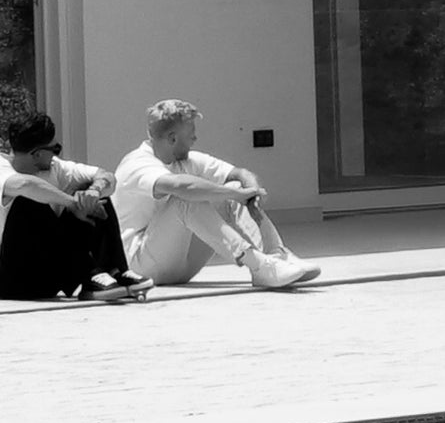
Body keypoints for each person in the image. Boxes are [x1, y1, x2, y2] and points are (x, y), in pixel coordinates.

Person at [112, 99, 322, 289]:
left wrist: (252, 192)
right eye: (191, 134)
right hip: (141, 265)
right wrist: (232, 193)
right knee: (186, 200)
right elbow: (181, 186)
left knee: (234, 187)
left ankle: (276, 255)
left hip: (180, 265)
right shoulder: (137, 163)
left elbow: (240, 174)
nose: (195, 138)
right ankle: (259, 264)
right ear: (172, 138)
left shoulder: (186, 160)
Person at [0, 113, 146, 303]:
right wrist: (73, 203)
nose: (56, 155)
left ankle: (115, 271)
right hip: (9, 281)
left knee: (92, 193)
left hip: (48, 275)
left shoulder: (56, 168)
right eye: (55, 149)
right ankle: (90, 272)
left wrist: (94, 192)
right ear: (37, 153)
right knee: (28, 201)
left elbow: (106, 176)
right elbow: (25, 185)